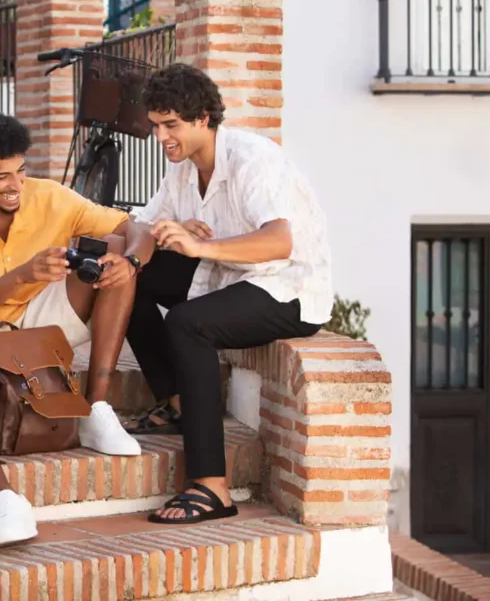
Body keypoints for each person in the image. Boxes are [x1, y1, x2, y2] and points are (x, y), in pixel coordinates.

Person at [0, 111, 156, 548]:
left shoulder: (49, 197)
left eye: (21, 171)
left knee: (116, 251)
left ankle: (97, 408)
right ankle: (5, 497)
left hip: (34, 313)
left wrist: (132, 261)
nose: (16, 186)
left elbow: (133, 227)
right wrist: (26, 272)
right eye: (2, 176)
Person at [124, 63, 335, 524]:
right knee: (128, 274)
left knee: (188, 323)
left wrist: (200, 244)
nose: (160, 137)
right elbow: (138, 222)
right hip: (225, 277)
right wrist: (171, 230)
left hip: (286, 287)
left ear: (203, 118)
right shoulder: (182, 169)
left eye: (171, 126)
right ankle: (178, 401)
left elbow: (280, 241)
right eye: (156, 125)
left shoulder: (252, 158)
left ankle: (212, 486)